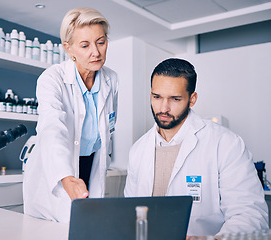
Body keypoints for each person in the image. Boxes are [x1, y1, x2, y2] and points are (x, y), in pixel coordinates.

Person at [124, 58, 268, 237]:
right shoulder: (138, 150)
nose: (163, 108)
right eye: (157, 97)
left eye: (175, 99)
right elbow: (130, 214)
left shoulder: (226, 144)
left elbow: (249, 216)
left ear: (192, 99)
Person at [23, 7, 118, 223]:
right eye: (85, 45)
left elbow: (109, 127)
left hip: (91, 164)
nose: (95, 52)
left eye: (101, 42)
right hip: (57, 168)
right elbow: (51, 128)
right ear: (69, 48)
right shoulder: (52, 78)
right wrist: (65, 177)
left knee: (88, 227)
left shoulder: (112, 79)